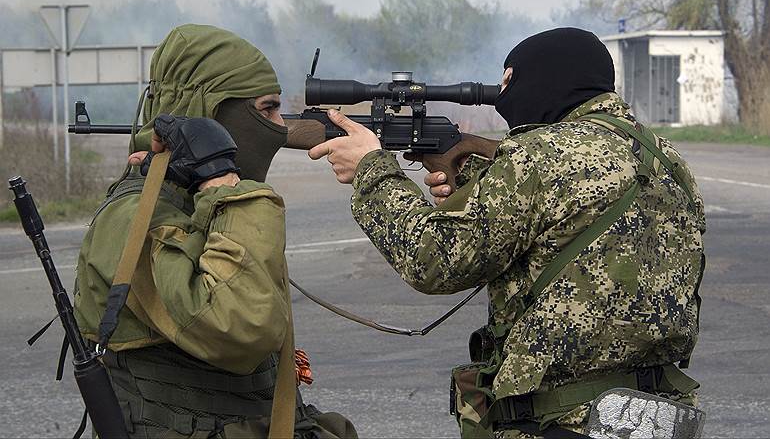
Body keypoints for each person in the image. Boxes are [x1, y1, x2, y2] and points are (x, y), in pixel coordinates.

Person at [309, 27, 706, 437]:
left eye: (508, 82)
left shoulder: (539, 154)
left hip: (563, 420)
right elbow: (570, 223)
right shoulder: (666, 158)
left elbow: (434, 261)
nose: (503, 98)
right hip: (653, 417)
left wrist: (372, 170)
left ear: (543, 79)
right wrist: (475, 180)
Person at [74, 24, 357, 439]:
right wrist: (224, 183)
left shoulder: (199, 201)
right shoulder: (134, 217)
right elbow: (241, 326)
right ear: (210, 116)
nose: (281, 128)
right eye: (267, 109)